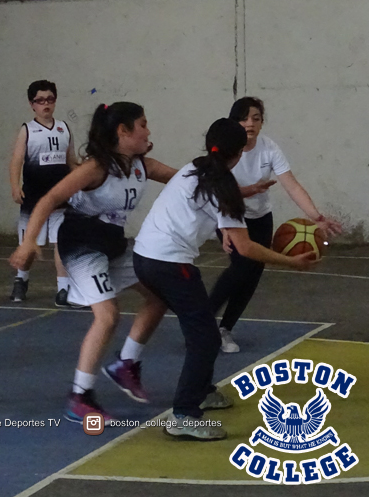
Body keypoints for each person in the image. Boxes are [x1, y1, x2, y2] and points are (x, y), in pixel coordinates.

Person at [133, 118, 318, 440]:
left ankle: (201, 390)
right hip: (169, 264)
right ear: (239, 153)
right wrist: (290, 261)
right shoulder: (224, 187)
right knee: (205, 337)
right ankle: (184, 415)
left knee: (201, 327)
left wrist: (224, 233)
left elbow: (199, 208)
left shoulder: (195, 168)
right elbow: (246, 247)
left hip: (144, 257)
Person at [10, 102, 177, 424]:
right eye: (143, 124)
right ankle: (80, 396)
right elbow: (49, 199)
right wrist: (29, 240)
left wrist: (237, 187)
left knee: (159, 295)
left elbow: (187, 178)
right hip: (82, 243)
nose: (149, 130)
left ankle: (126, 364)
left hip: (112, 243)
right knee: (108, 316)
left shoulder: (143, 166)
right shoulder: (95, 168)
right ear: (123, 132)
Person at [208, 97, 342, 353]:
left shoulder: (269, 149)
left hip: (260, 218)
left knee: (252, 275)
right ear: (233, 121)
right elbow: (216, 190)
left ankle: (225, 329)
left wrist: (317, 217)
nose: (250, 123)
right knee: (241, 266)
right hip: (230, 215)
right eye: (244, 118)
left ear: (262, 123)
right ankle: (203, 321)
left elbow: (291, 184)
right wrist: (223, 227)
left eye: (256, 118)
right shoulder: (226, 147)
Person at [9, 80, 77, 305]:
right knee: (29, 245)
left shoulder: (65, 128)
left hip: (61, 199)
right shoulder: (27, 130)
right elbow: (17, 160)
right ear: (32, 104)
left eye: (50, 99)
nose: (46, 104)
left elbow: (71, 162)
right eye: (40, 100)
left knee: (62, 244)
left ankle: (63, 289)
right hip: (34, 200)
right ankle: (21, 280)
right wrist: (15, 186)